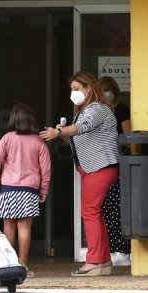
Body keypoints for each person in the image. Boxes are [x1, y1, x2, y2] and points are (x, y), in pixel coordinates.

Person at [40, 71, 119, 276]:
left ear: (88, 88)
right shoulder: (84, 110)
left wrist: (59, 132)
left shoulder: (98, 109)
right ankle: (103, 261)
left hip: (101, 165)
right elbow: (79, 136)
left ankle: (93, 262)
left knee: (90, 212)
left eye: (76, 89)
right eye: (72, 89)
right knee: (95, 213)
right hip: (94, 166)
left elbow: (83, 127)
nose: (73, 93)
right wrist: (64, 134)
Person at [0, 103, 51, 278]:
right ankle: (23, 266)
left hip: (8, 188)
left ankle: (8, 266)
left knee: (8, 228)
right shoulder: (38, 141)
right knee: (25, 228)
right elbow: (45, 168)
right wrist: (44, 189)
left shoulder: (7, 138)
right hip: (29, 190)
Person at [98, 76, 132, 266]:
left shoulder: (121, 110)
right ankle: (111, 249)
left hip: (118, 162)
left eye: (109, 89)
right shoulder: (98, 111)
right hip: (103, 162)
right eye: (103, 89)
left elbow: (127, 136)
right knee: (106, 208)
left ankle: (123, 250)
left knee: (118, 208)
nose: (106, 93)